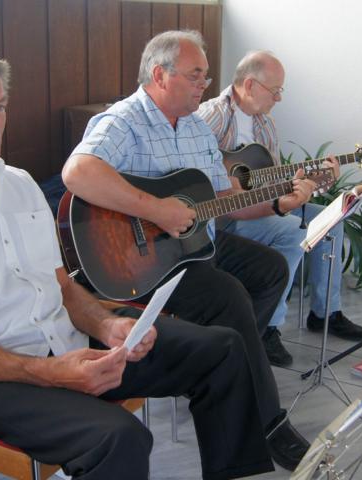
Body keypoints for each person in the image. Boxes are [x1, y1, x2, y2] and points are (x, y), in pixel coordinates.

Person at [0, 44, 281, 480]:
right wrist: (50, 373)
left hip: (60, 341)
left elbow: (62, 286)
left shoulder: (18, 184)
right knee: (119, 438)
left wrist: (105, 325)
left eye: (0, 106)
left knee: (222, 349)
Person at [62, 30, 311, 471]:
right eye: (195, 75)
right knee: (228, 295)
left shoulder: (195, 127)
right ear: (160, 75)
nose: (205, 85)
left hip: (195, 246)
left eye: (205, 76)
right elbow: (78, 173)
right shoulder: (124, 121)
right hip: (141, 261)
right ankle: (267, 423)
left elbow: (224, 199)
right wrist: (156, 209)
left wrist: (278, 203)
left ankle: (225, 370)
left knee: (271, 268)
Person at [198, 50, 362, 367]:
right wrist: (234, 186)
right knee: (293, 229)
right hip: (224, 218)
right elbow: (198, 177)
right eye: (274, 90)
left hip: (262, 208)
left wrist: (315, 181)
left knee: (331, 218)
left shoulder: (265, 124)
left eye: (281, 90)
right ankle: (269, 328)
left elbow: (277, 184)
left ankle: (325, 313)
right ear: (250, 85)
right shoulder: (213, 116)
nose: (278, 98)